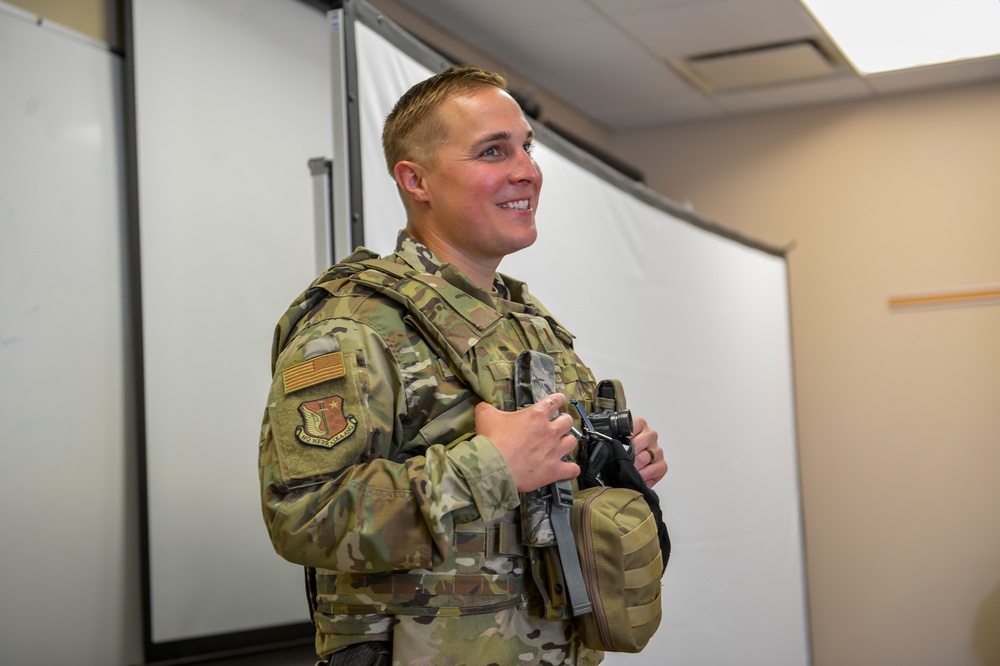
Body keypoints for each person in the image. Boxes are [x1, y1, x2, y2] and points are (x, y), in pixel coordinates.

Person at [259, 66, 667, 665]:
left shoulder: (530, 324)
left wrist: (611, 463)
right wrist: (491, 465)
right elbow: (302, 515)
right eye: (492, 151)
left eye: (526, 146)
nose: (526, 169)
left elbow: (543, 497)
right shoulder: (354, 327)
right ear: (416, 179)